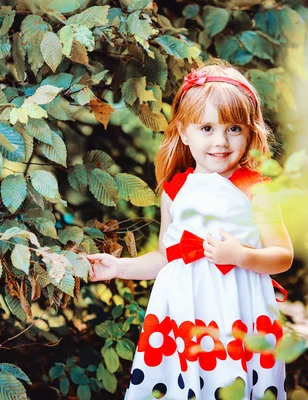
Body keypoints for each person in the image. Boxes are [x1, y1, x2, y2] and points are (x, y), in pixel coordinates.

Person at [87, 59, 293, 400]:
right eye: (207, 128)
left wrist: (241, 256)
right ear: (184, 131)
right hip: (185, 311)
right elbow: (168, 257)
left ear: (249, 132)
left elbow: (282, 256)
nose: (221, 141)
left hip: (240, 310)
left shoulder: (256, 190)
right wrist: (119, 267)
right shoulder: (174, 190)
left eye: (234, 129)